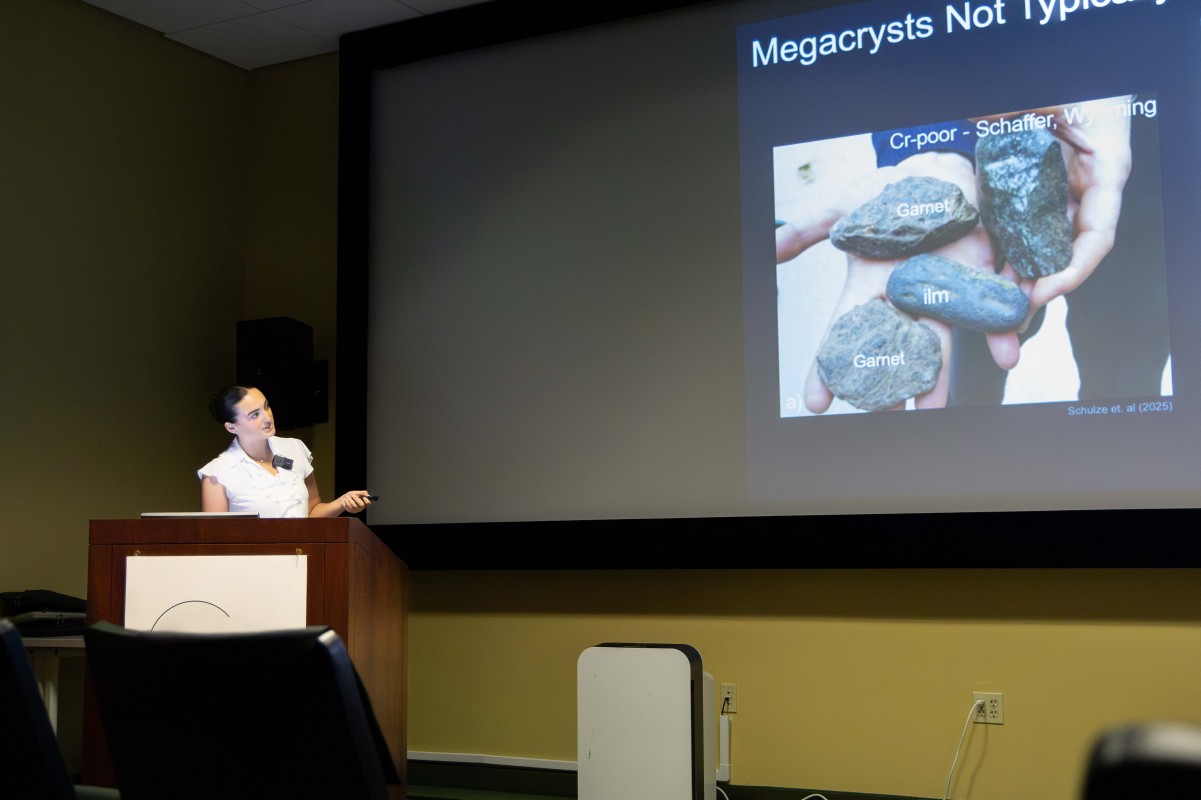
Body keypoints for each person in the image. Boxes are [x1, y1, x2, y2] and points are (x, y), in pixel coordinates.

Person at [199, 385, 374, 518]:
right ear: (231, 427)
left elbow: (311, 512)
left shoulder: (295, 449)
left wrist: (342, 503)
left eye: (266, 406)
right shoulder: (217, 473)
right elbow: (215, 542)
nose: (267, 418)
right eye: (254, 415)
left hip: (303, 556)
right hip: (255, 563)